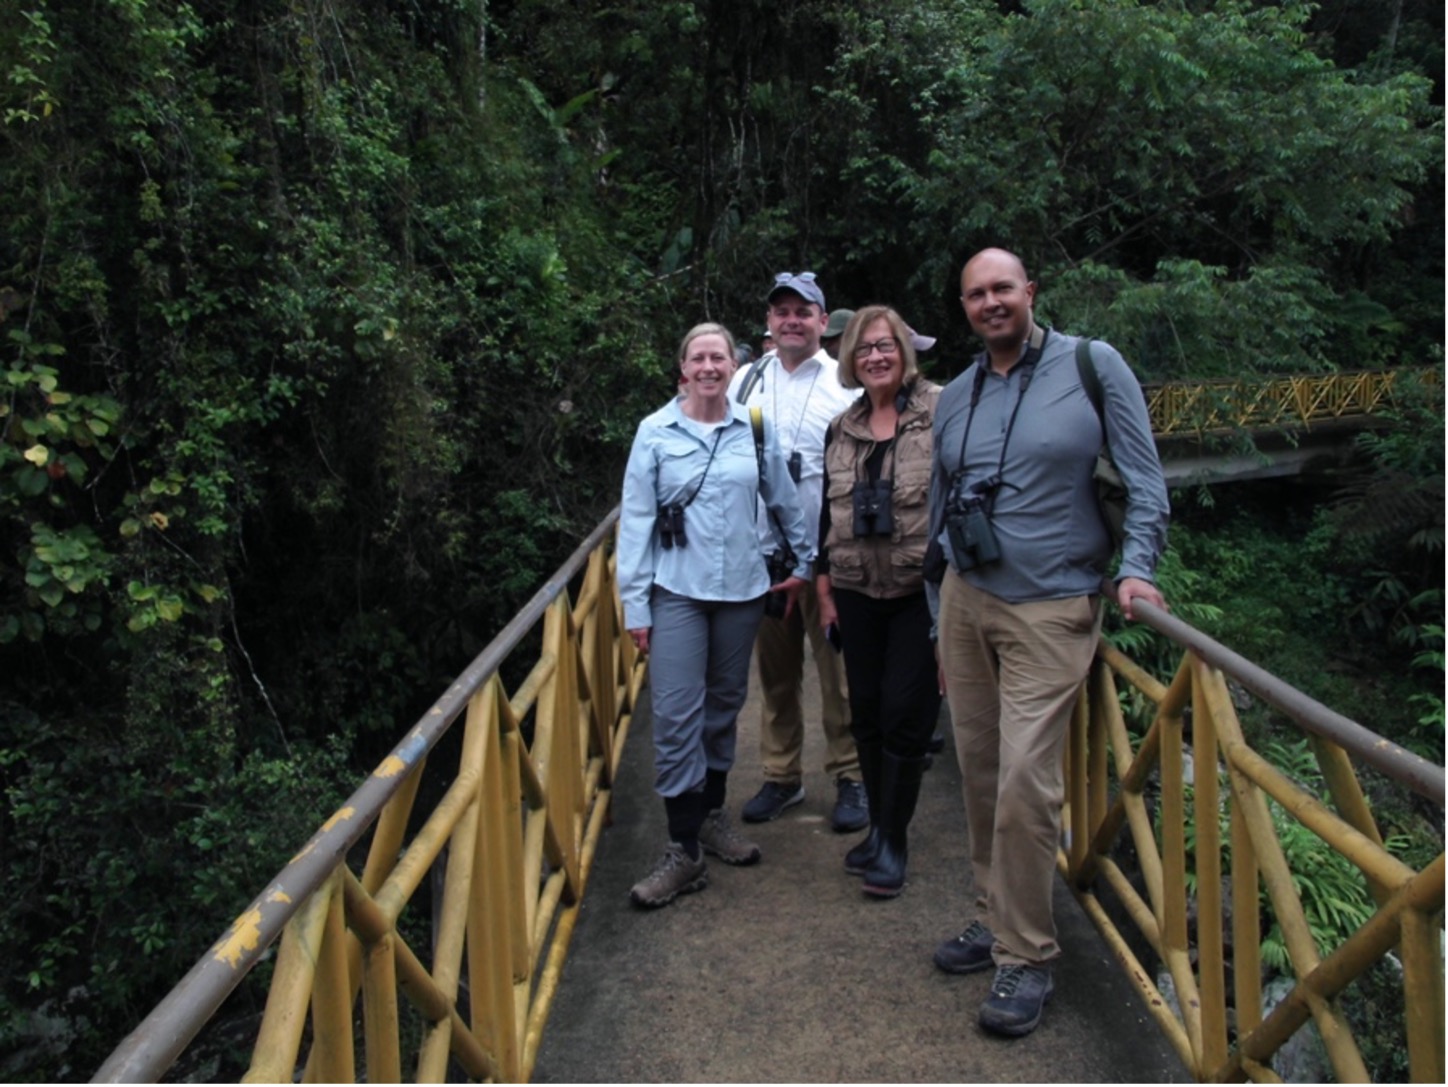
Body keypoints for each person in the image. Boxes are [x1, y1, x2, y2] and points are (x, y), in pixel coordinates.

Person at [927, 248, 1169, 1035]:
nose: (991, 302)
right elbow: (940, 505)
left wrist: (1135, 569)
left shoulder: (1093, 366)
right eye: (976, 294)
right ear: (963, 306)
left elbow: (1145, 476)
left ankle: (1026, 956)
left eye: (1003, 288)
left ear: (1030, 291)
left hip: (1052, 606)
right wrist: (940, 612)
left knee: (1028, 782)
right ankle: (996, 916)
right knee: (981, 770)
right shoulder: (957, 393)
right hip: (968, 602)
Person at [618, 322, 815, 908]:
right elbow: (635, 524)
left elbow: (782, 497)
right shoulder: (654, 432)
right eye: (697, 357)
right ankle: (684, 850)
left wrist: (805, 561)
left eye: (718, 357)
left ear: (736, 365)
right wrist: (635, 605)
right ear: (683, 369)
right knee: (677, 714)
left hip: (743, 591)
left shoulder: (754, 427)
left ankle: (709, 816)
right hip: (676, 591)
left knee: (724, 707)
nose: (708, 366)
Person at [728, 272, 866, 832]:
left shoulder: (846, 380)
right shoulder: (743, 380)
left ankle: (851, 776)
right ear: (768, 322)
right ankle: (781, 776)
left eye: (802, 311)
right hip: (763, 556)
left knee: (840, 675)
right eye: (780, 311)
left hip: (830, 556)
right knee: (775, 675)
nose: (790, 320)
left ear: (821, 319)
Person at [815, 306, 942, 898]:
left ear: (904, 350)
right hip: (854, 589)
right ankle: (876, 830)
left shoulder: (941, 412)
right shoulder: (841, 428)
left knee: (903, 714)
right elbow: (825, 515)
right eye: (864, 349)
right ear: (850, 358)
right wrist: (823, 588)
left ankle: (895, 839)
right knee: (863, 710)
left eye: (886, 345)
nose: (875, 357)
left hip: (918, 590)